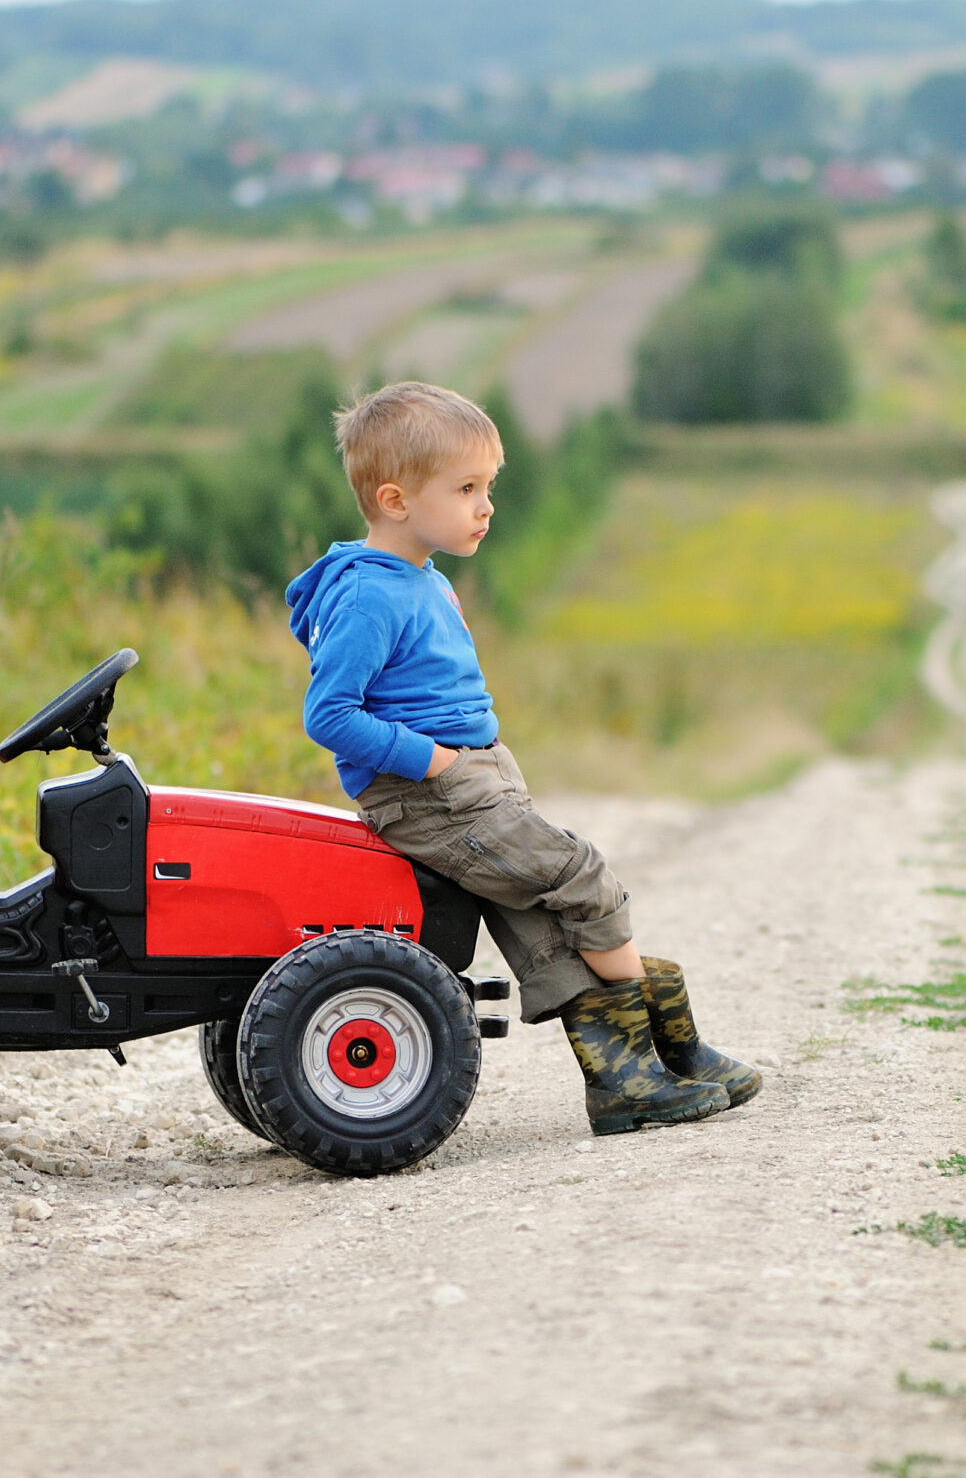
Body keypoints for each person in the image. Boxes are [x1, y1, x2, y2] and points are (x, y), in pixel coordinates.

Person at [283, 381, 760, 1135]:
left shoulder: (421, 578)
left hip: (471, 782)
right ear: (396, 499)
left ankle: (626, 1083)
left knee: (540, 929)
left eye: (488, 487)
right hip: (432, 794)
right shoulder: (373, 595)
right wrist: (436, 761)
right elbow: (331, 714)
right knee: (582, 876)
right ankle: (675, 1041)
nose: (486, 505)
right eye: (466, 488)